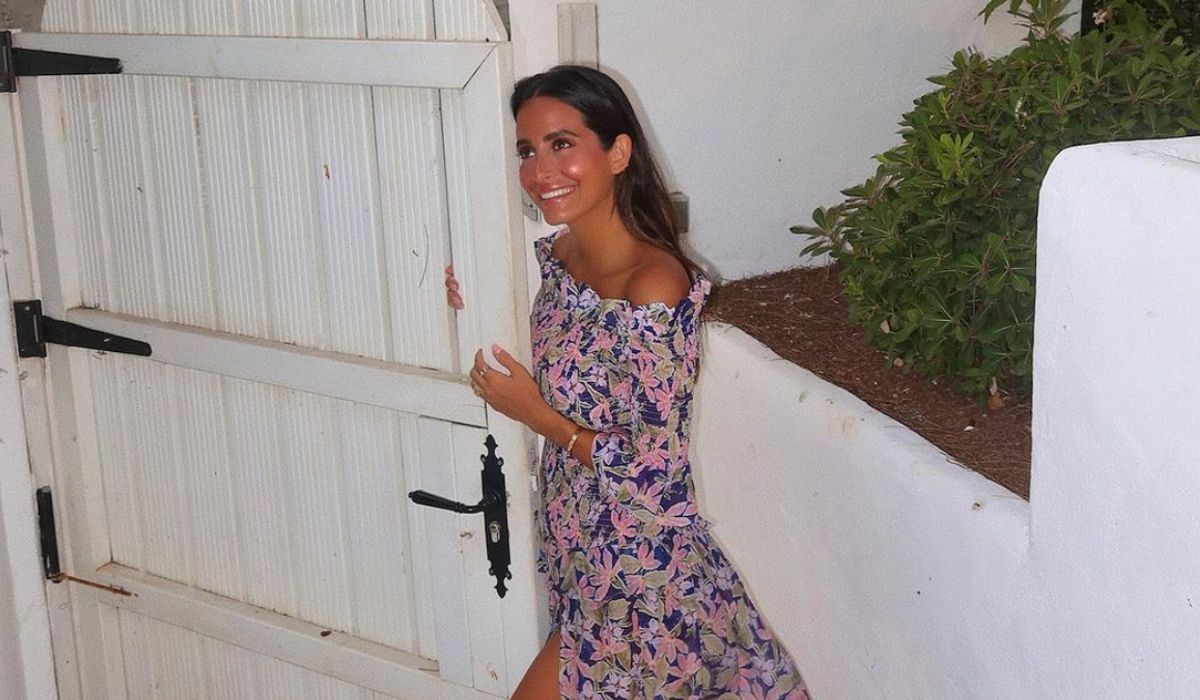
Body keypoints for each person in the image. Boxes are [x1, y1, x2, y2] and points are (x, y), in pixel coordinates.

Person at [444, 65, 808, 699]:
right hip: (583, 560)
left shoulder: (654, 288)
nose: (540, 171)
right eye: (527, 151)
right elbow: (571, 366)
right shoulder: (561, 259)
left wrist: (539, 418)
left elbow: (656, 473)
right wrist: (471, 302)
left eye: (562, 144)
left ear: (617, 153)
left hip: (642, 580)